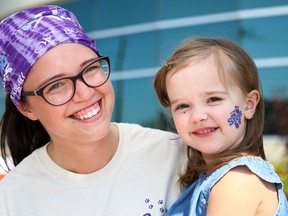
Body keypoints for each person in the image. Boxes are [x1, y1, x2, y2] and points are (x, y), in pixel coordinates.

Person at [0, 5, 187, 215]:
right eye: (56, 85)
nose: (85, 93)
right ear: (26, 108)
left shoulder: (176, 156)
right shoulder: (12, 198)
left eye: (90, 69)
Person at [154, 37, 288, 215]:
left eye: (213, 99)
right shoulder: (211, 178)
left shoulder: (237, 181)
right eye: (183, 106)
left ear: (248, 105)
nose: (198, 116)